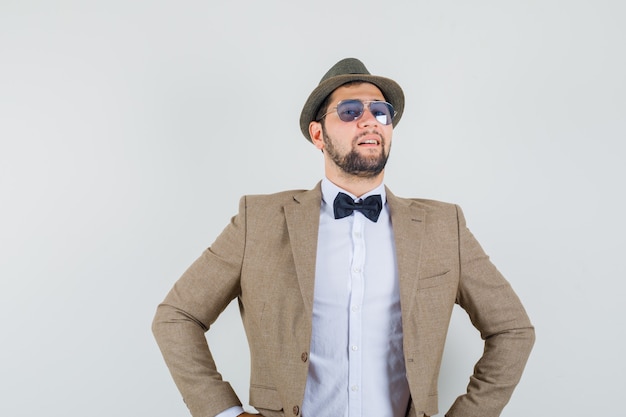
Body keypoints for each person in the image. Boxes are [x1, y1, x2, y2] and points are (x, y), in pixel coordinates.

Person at [152, 58, 535, 417]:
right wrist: (225, 413)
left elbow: (512, 329)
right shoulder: (260, 220)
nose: (369, 121)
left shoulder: (442, 226)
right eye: (350, 111)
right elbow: (177, 316)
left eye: (380, 112)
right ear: (318, 134)